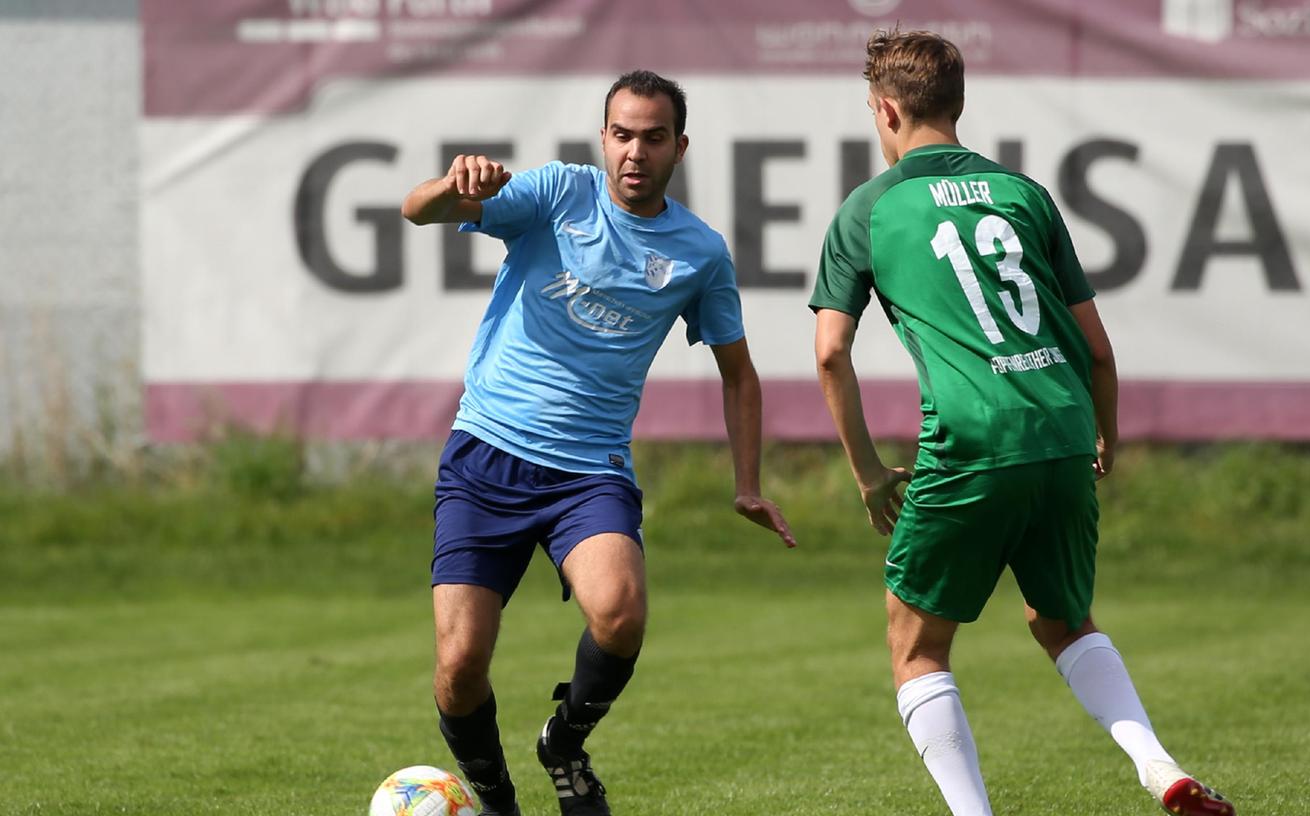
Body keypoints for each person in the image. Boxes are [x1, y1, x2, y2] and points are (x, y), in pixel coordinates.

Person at [810, 29, 1235, 816]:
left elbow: (831, 354)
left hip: (971, 439)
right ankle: (1157, 764)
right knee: (1062, 619)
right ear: (958, 105)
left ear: (886, 110)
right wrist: (1103, 435)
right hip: (1063, 427)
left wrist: (869, 472)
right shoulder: (1023, 195)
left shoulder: (868, 208)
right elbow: (1097, 351)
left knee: (915, 643)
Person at [401, 70, 796, 816]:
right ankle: (496, 799)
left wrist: (746, 481)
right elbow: (415, 210)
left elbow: (739, 375)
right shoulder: (556, 193)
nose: (634, 152)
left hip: (590, 471)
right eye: (621, 134)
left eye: (652, 138)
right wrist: (455, 184)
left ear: (679, 147)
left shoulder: (699, 253)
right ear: (602, 137)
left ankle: (564, 741)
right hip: (486, 455)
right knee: (458, 666)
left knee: (619, 614)